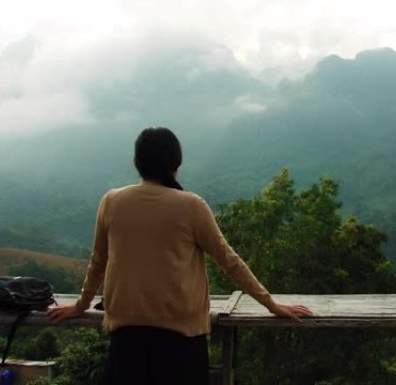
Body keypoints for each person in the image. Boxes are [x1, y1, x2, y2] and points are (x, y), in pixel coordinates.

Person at [47, 127, 312, 385]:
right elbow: (229, 262)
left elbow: (98, 263)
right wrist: (271, 304)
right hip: (181, 340)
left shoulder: (112, 201)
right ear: (176, 163)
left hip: (126, 339)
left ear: (137, 162)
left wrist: (81, 306)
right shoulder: (191, 205)